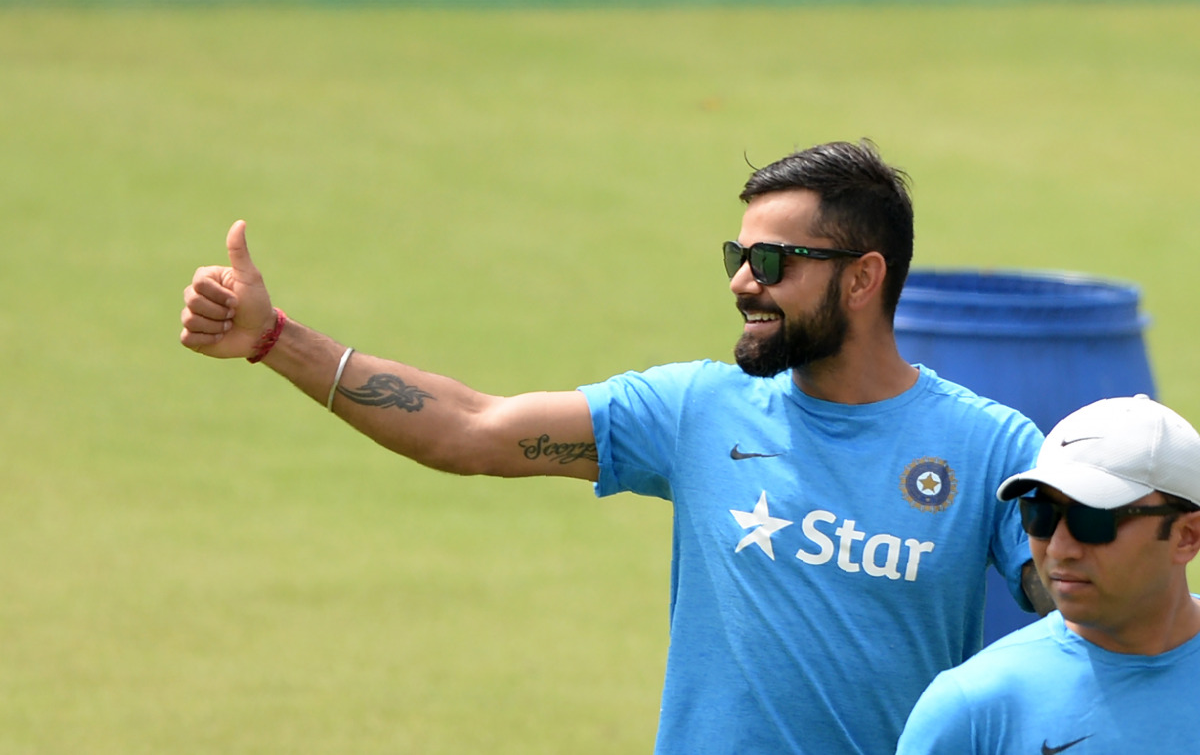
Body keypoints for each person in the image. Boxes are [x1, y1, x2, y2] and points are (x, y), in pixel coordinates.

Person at [180, 140, 1051, 754]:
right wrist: (274, 339)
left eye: (775, 261)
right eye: (737, 257)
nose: (746, 281)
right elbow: (469, 429)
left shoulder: (987, 447)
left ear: (863, 277)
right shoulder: (696, 410)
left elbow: (1093, 605)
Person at [896, 394, 1200, 755]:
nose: (1058, 548)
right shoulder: (970, 709)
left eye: (1093, 518)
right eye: (1039, 514)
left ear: (1186, 536)